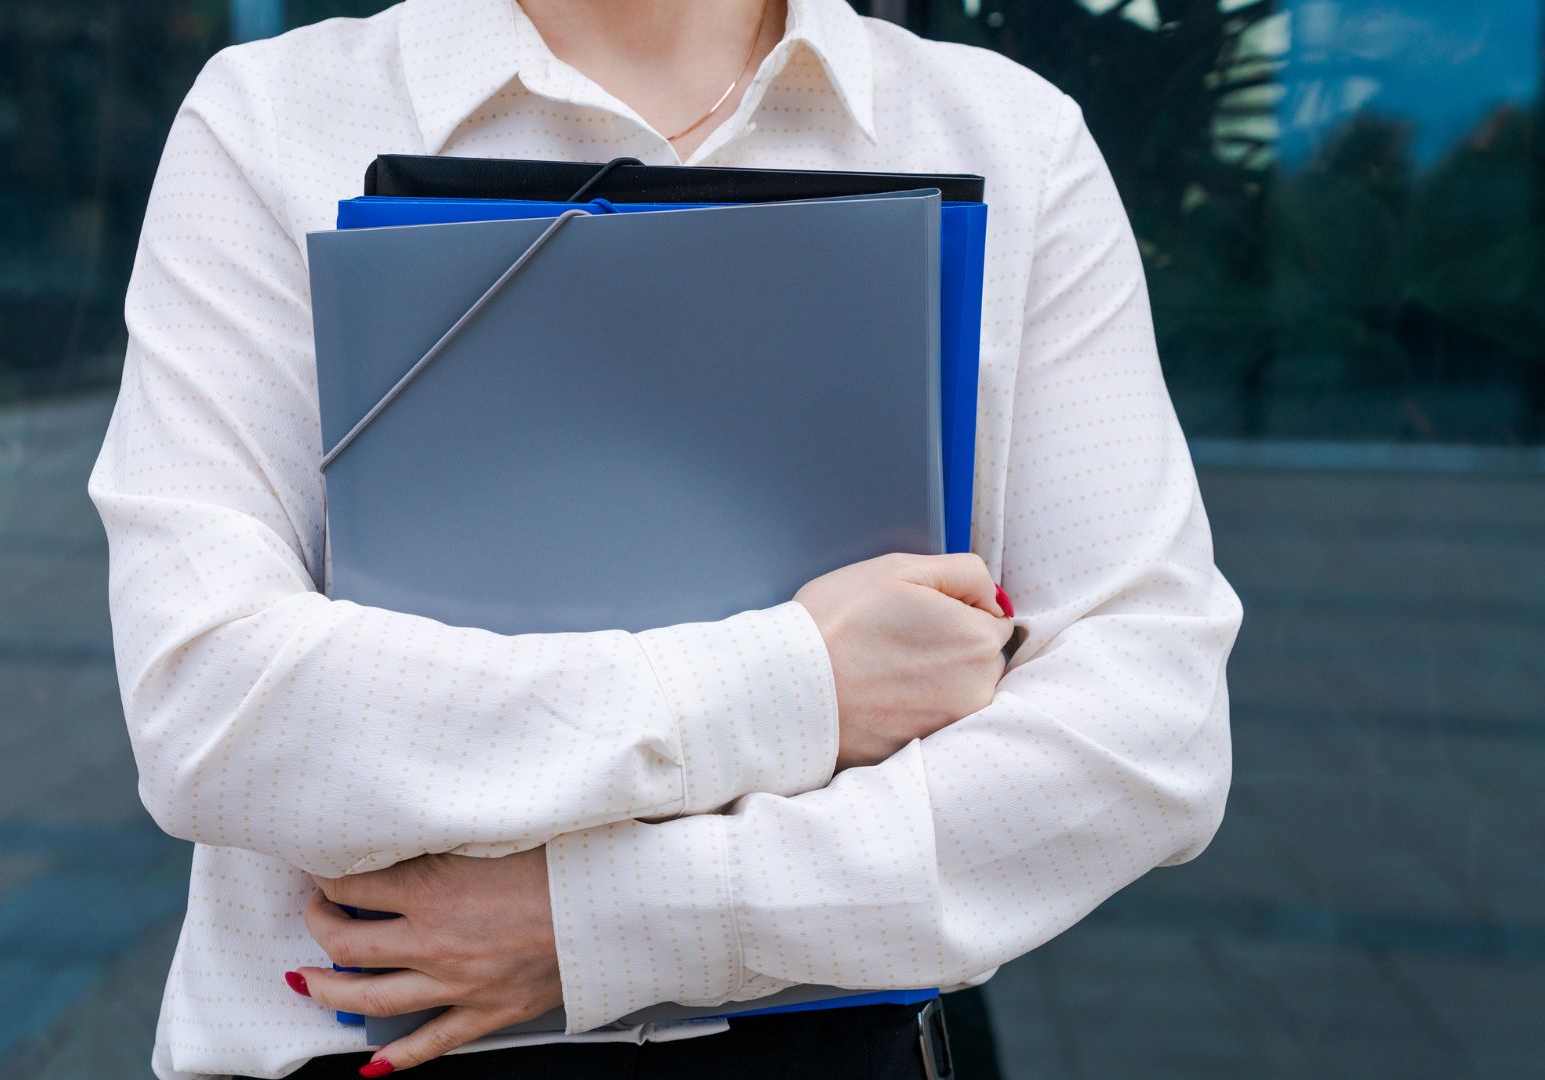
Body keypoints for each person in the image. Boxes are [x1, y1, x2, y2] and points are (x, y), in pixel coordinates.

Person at [86, 0, 1243, 1077]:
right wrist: (799, 685)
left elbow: (1150, 730)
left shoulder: (1008, 135)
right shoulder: (273, 119)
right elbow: (211, 702)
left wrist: (604, 923)